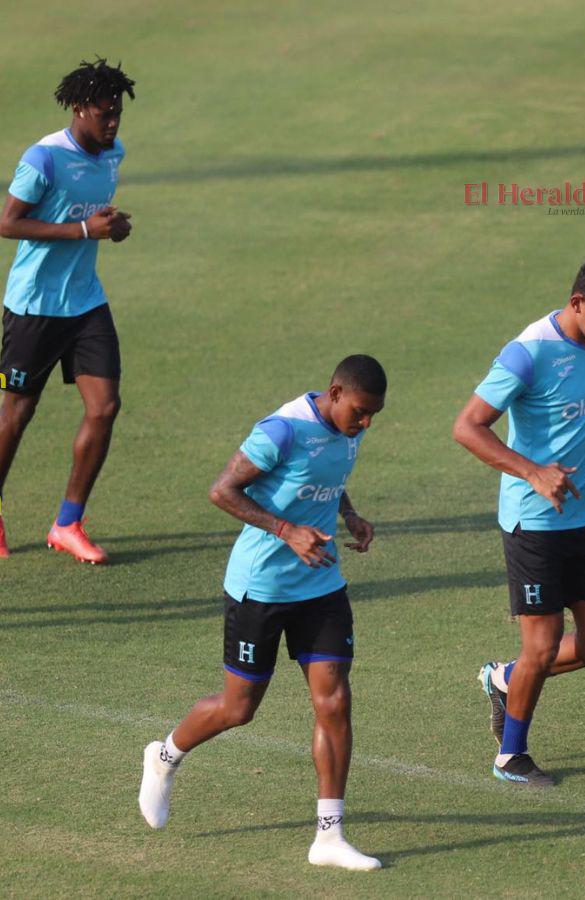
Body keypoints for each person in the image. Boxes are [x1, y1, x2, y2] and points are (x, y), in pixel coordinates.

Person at [138, 356, 387, 871]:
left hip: (320, 583)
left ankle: (329, 835)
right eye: (360, 413)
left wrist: (350, 515)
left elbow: (328, 475)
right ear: (335, 392)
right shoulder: (283, 430)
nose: (365, 425)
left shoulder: (349, 428)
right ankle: (164, 756)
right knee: (239, 708)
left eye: (372, 417)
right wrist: (286, 531)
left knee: (334, 701)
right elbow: (222, 491)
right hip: (261, 588)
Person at [454, 251, 585, 787]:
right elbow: (468, 427)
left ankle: (504, 679)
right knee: (542, 643)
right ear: (577, 302)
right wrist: (532, 472)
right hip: (533, 522)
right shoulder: (527, 353)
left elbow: (584, 411)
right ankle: (511, 756)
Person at [0, 58, 135, 562]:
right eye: (105, 113)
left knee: (104, 407)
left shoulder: (112, 153)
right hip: (33, 307)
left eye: (118, 112)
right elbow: (8, 224)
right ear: (79, 109)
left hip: (85, 302)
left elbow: (88, 215)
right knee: (16, 413)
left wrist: (110, 225)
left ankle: (67, 524)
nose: (114, 122)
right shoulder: (44, 159)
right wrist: (84, 231)